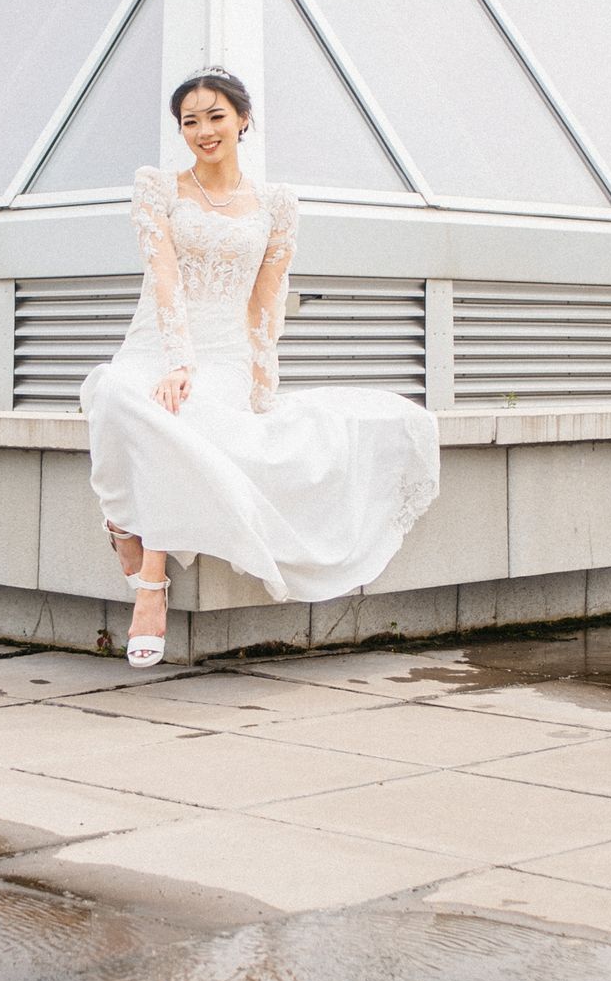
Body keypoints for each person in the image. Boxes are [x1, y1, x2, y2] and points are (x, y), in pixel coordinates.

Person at [82, 69, 441, 666]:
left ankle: (148, 571)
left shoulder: (277, 204)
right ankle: (133, 541)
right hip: (157, 344)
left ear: (243, 119)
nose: (203, 131)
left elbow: (265, 300)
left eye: (215, 117)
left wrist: (260, 382)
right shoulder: (157, 188)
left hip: (226, 354)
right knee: (122, 395)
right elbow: (164, 277)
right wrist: (176, 362)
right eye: (190, 121)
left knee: (187, 419)